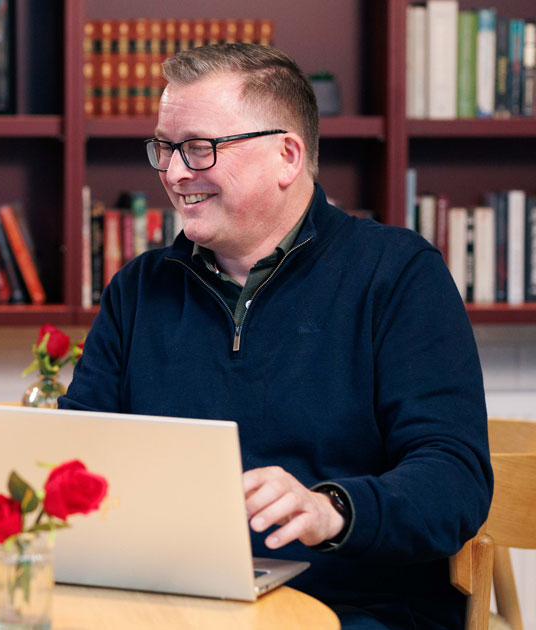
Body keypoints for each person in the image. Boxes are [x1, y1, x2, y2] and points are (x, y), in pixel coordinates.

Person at [61, 43, 491, 630]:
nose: (174, 172)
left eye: (199, 148)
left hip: (355, 610)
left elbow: (454, 479)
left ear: (287, 156)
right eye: (165, 148)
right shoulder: (137, 289)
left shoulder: (398, 275)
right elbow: (73, 456)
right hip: (168, 605)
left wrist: (333, 509)